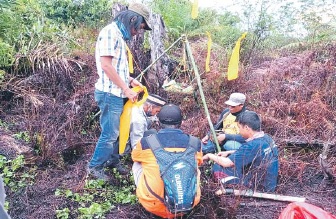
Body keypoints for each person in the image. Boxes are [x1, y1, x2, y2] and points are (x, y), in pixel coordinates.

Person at [88, 3, 152, 180]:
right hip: (110, 94)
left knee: (119, 130)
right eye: (138, 28)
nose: (137, 33)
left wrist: (130, 80)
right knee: (110, 133)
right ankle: (95, 166)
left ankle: (113, 161)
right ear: (132, 19)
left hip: (118, 92)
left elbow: (116, 67)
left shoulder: (118, 36)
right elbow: (106, 66)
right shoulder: (110, 32)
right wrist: (126, 88)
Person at [131, 104, 203, 218]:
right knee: (196, 166)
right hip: (188, 204)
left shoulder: (145, 142)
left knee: (137, 163)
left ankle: (149, 193)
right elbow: (199, 162)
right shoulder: (195, 143)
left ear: (158, 122)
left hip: (153, 205)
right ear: (181, 123)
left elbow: (134, 156)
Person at [202, 111, 279, 192]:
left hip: (260, 188)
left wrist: (209, 155)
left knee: (217, 168)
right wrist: (229, 152)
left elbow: (226, 163)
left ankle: (231, 189)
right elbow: (254, 152)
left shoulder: (252, 145)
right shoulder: (266, 138)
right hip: (270, 183)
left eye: (239, 128)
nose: (239, 131)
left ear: (246, 128)